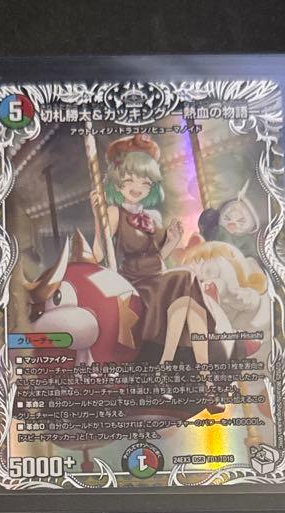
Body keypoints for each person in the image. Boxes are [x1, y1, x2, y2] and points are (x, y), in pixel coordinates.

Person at [90, 133, 221, 397]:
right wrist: (97, 218)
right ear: (117, 180)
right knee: (185, 279)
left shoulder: (151, 217)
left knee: (190, 304)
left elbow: (158, 256)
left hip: (159, 278)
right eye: (129, 179)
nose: (137, 186)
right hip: (137, 284)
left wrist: (171, 241)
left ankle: (199, 379)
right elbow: (96, 255)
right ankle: (174, 372)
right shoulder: (114, 213)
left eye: (144, 181)